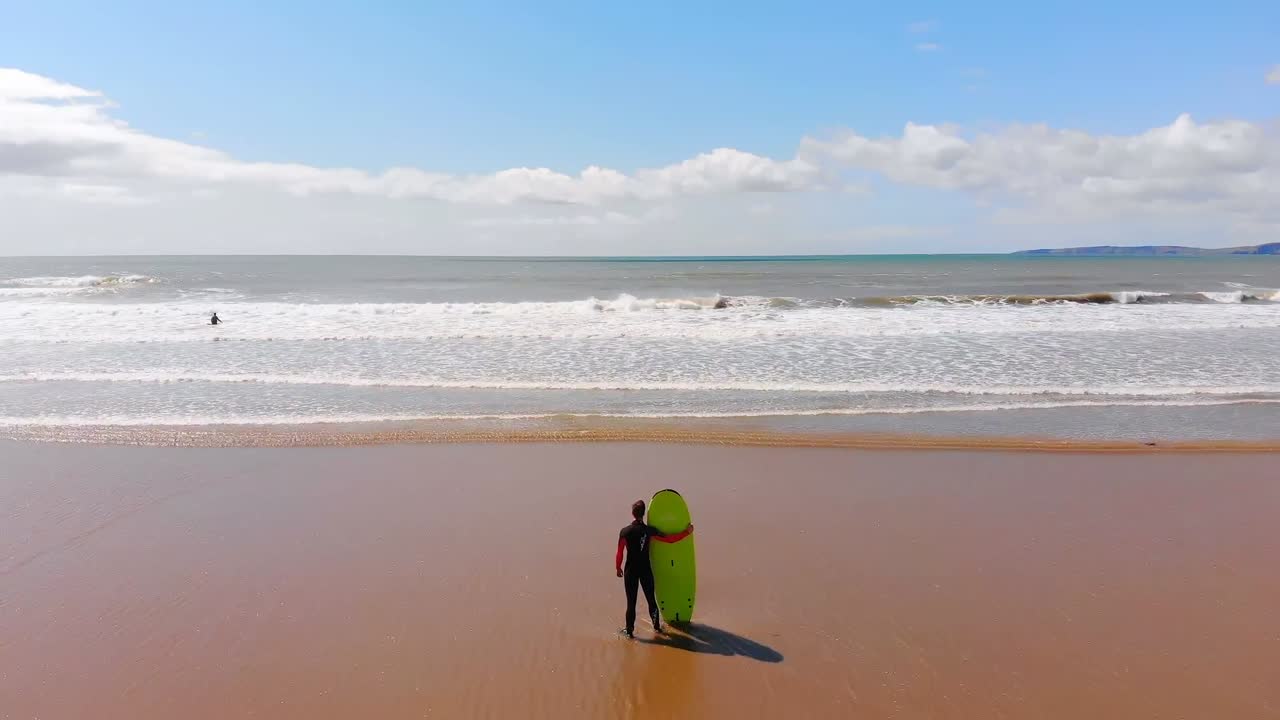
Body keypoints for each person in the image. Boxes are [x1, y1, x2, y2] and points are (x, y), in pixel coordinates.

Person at [615, 499, 693, 638]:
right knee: (651, 600)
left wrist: (618, 568)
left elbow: (620, 552)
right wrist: (686, 532)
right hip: (645, 570)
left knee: (631, 602)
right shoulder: (650, 531)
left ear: (632, 513)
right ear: (644, 514)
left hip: (630, 571)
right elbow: (670, 540)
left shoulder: (625, 532)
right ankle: (657, 628)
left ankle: (629, 631)